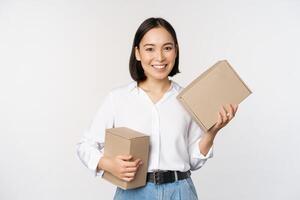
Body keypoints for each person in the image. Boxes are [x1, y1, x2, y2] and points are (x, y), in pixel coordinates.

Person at [76, 17, 238, 200]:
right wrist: (107, 163)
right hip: (133, 193)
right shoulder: (118, 99)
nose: (159, 57)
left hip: (180, 192)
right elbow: (85, 146)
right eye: (150, 49)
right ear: (137, 53)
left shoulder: (188, 100)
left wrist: (211, 133)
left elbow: (193, 162)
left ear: (176, 51)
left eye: (167, 48)